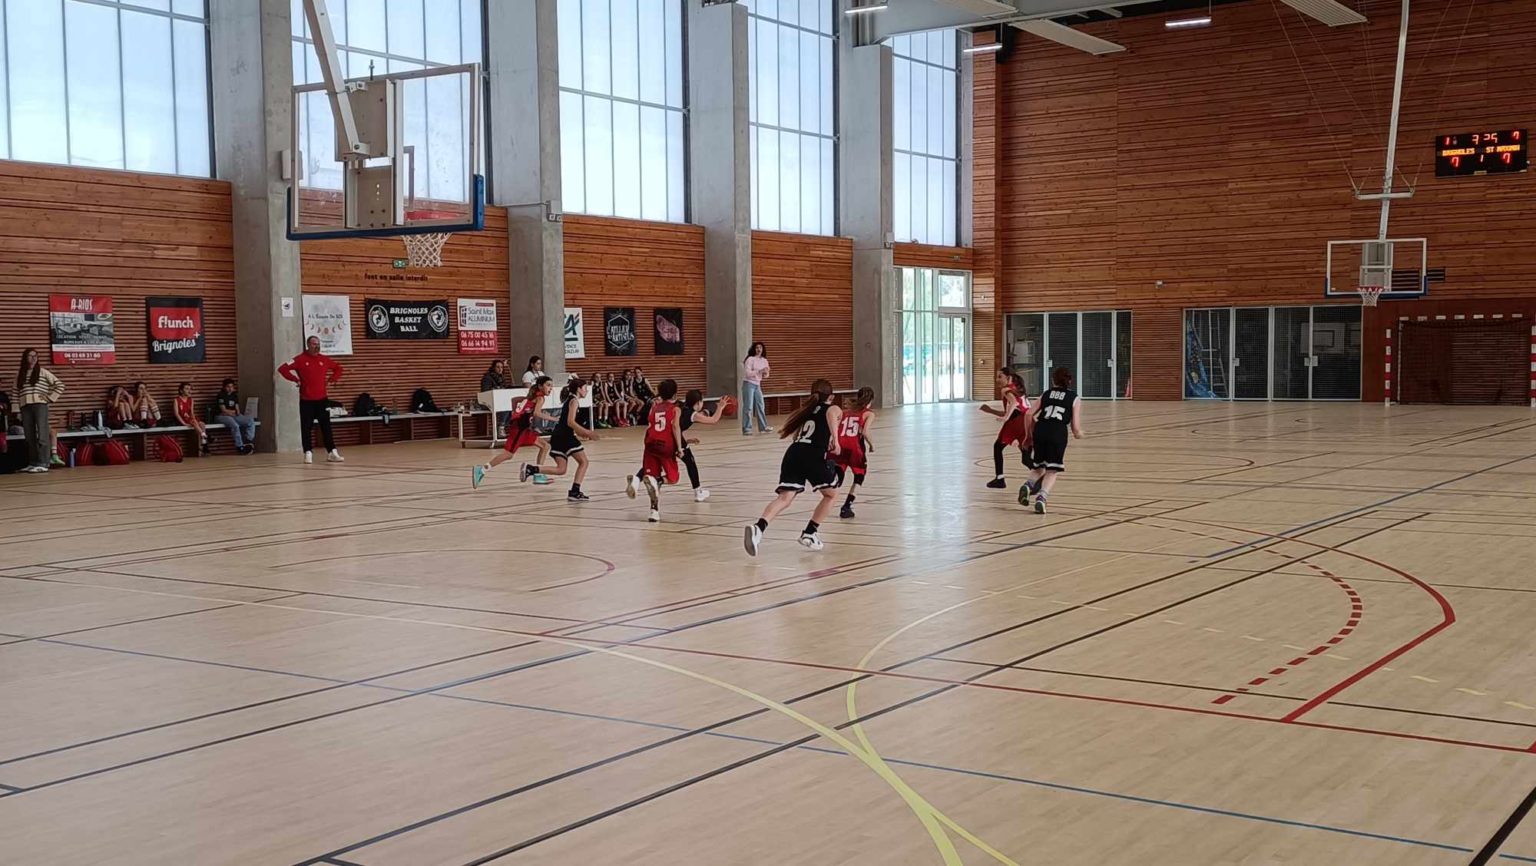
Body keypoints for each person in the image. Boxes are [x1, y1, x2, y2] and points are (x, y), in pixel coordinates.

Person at [743, 379, 842, 556]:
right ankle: (810, 533)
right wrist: (836, 439)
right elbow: (831, 414)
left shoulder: (806, 411)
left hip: (794, 452)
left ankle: (759, 528)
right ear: (831, 396)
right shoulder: (832, 408)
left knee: (785, 498)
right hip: (812, 454)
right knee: (831, 495)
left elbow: (797, 435)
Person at [523, 376, 600, 501]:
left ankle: (531, 469)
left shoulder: (570, 400)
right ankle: (575, 491)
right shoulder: (574, 401)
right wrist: (587, 432)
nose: (586, 391)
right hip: (565, 436)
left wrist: (580, 432)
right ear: (578, 389)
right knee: (584, 462)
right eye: (585, 388)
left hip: (558, 436)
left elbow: (567, 422)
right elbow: (570, 422)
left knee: (561, 469)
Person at [472, 375, 555, 488]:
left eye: (551, 386)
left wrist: (520, 413)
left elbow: (516, 401)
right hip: (519, 429)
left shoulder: (534, 395)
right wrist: (554, 419)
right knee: (508, 454)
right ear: (540, 386)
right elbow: (536, 413)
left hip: (524, 428)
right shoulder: (540, 398)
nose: (551, 388)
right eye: (548, 385)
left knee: (545, 446)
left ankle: (538, 474)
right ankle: (481, 469)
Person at [1021, 367, 1084, 514]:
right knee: (1052, 470)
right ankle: (1041, 498)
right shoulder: (1074, 398)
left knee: (1038, 466)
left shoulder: (1046, 394)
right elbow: (1075, 427)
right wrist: (1079, 434)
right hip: (1057, 432)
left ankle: (1028, 485)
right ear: (1069, 381)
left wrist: (1028, 436)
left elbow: (1029, 414)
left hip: (1041, 429)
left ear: (1052, 380)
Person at [278, 336, 345, 464]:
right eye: (314, 344)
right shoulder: (299, 359)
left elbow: (338, 368)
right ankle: (308, 452)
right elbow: (282, 369)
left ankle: (332, 452)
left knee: (326, 426)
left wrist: (332, 379)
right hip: (306, 400)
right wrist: (295, 379)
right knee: (306, 427)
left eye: (318, 344)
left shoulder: (324, 359)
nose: (317, 346)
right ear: (308, 345)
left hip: (322, 400)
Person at [626, 379, 684, 523]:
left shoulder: (654, 407)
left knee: (651, 479)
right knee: (673, 478)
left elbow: (650, 424)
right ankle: (657, 481)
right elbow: (675, 427)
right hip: (666, 446)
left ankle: (654, 511)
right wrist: (679, 448)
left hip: (650, 444)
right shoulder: (676, 409)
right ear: (675, 394)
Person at [15, 348, 65, 474]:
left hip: (40, 405)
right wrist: (17, 410)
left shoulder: (43, 372)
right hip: (25, 406)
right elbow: (15, 393)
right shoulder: (20, 374)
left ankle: (44, 463)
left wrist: (50, 398)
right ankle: (33, 463)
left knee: (42, 434)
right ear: (25, 358)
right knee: (29, 436)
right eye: (30, 356)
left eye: (35, 356)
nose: (33, 358)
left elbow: (60, 385)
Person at [980, 370, 1032, 489]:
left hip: (1016, 422)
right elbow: (1013, 409)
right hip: (1026, 421)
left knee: (997, 447)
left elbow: (1013, 404)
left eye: (1000, 376)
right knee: (1026, 459)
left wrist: (1006, 418)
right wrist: (990, 410)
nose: (997, 379)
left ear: (1008, 377)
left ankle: (1000, 479)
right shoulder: (1017, 388)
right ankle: (1039, 475)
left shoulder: (1006, 389)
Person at [831, 387, 876, 519]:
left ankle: (830, 489)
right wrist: (872, 445)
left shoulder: (845, 412)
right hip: (854, 447)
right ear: (871, 400)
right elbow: (865, 432)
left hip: (840, 445)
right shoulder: (868, 413)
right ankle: (847, 506)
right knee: (859, 476)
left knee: (839, 472)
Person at [677, 389, 730, 502]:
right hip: (674, 438)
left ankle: (639, 478)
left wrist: (687, 440)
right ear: (697, 403)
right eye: (702, 401)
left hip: (667, 436)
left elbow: (677, 427)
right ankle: (698, 492)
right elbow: (713, 420)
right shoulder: (693, 414)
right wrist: (720, 407)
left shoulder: (681, 407)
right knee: (690, 462)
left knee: (658, 461)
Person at [212, 378, 257, 454]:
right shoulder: (221, 395)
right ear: (224, 387)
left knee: (250, 420)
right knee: (235, 425)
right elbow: (223, 410)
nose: (230, 389)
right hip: (221, 416)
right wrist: (232, 412)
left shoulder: (234, 396)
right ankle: (240, 446)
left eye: (231, 387)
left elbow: (237, 411)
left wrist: (233, 412)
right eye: (228, 387)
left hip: (233, 415)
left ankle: (248, 440)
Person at [740, 342, 771, 435]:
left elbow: (766, 375)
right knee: (748, 407)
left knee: (761, 405)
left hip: (757, 385)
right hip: (748, 384)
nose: (759, 349)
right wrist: (759, 371)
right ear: (754, 349)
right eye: (757, 347)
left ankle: (763, 427)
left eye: (760, 348)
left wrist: (765, 373)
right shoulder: (750, 359)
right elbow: (747, 373)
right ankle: (747, 428)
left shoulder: (764, 360)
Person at [172, 382, 209, 455]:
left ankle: (204, 443)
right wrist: (184, 423)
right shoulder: (176, 400)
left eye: (190, 389)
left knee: (202, 424)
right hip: (181, 419)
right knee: (194, 423)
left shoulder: (191, 400)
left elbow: (192, 413)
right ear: (181, 391)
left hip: (190, 419)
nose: (189, 391)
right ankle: (205, 438)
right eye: (187, 389)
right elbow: (176, 414)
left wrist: (194, 419)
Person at [481, 360, 511, 431]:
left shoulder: (502, 378)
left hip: (500, 401)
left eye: (502, 367)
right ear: (493, 368)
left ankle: (504, 425)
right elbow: (485, 391)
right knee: (505, 406)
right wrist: (496, 389)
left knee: (511, 406)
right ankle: (501, 427)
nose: (500, 369)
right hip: (488, 402)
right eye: (498, 367)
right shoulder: (487, 378)